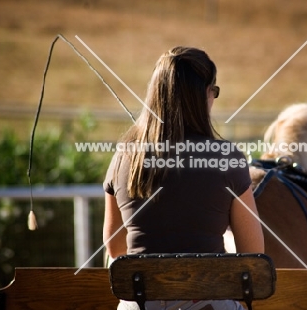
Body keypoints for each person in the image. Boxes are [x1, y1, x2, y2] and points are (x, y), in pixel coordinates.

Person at [103, 46, 264, 310]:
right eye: (214, 91)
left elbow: (116, 250)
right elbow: (252, 257)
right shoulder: (228, 158)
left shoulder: (123, 157)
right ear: (204, 94)